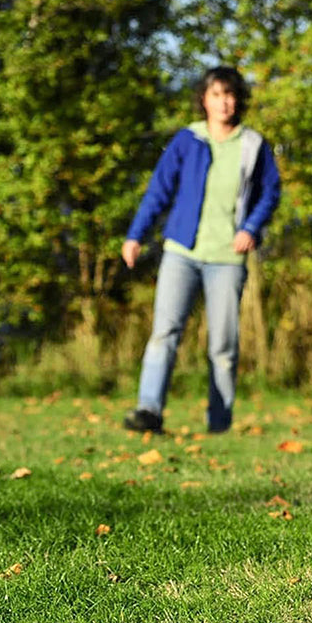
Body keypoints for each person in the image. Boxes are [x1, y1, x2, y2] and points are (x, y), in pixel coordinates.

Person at [121, 66, 281, 434]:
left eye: (230, 94)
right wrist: (135, 235)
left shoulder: (253, 144)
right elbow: (158, 190)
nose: (224, 102)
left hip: (227, 258)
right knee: (164, 333)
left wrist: (251, 228)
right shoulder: (187, 140)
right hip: (182, 251)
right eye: (216, 95)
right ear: (204, 100)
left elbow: (270, 193)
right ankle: (148, 411)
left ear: (238, 100)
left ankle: (219, 424)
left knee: (223, 346)